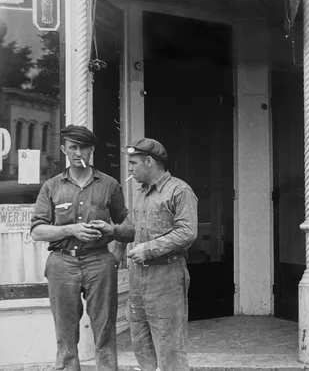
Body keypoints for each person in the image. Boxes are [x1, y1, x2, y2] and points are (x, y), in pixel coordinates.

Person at [92, 138, 198, 371]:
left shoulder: (179, 190)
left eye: (133, 163)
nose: (129, 169)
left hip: (166, 274)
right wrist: (113, 230)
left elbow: (187, 232)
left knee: (169, 345)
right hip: (139, 278)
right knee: (140, 340)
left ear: (149, 162)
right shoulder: (142, 194)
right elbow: (134, 230)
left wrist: (148, 249)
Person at [31, 125, 130, 370]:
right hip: (62, 263)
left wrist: (117, 253)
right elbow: (36, 231)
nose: (78, 153)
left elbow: (125, 224)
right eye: (73, 147)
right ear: (64, 149)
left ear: (92, 150)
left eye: (83, 147)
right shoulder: (52, 186)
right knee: (65, 332)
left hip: (99, 261)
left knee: (105, 329)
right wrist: (69, 230)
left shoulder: (109, 185)